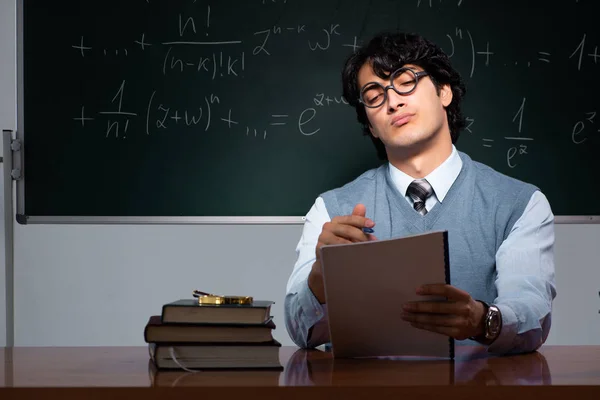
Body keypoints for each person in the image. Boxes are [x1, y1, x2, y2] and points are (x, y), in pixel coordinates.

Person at [283, 30, 556, 355]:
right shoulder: (331, 212)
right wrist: (320, 281)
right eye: (374, 95)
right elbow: (301, 332)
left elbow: (532, 313)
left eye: (406, 81)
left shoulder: (518, 204)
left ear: (444, 91)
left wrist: (481, 320)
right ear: (370, 124)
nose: (393, 101)